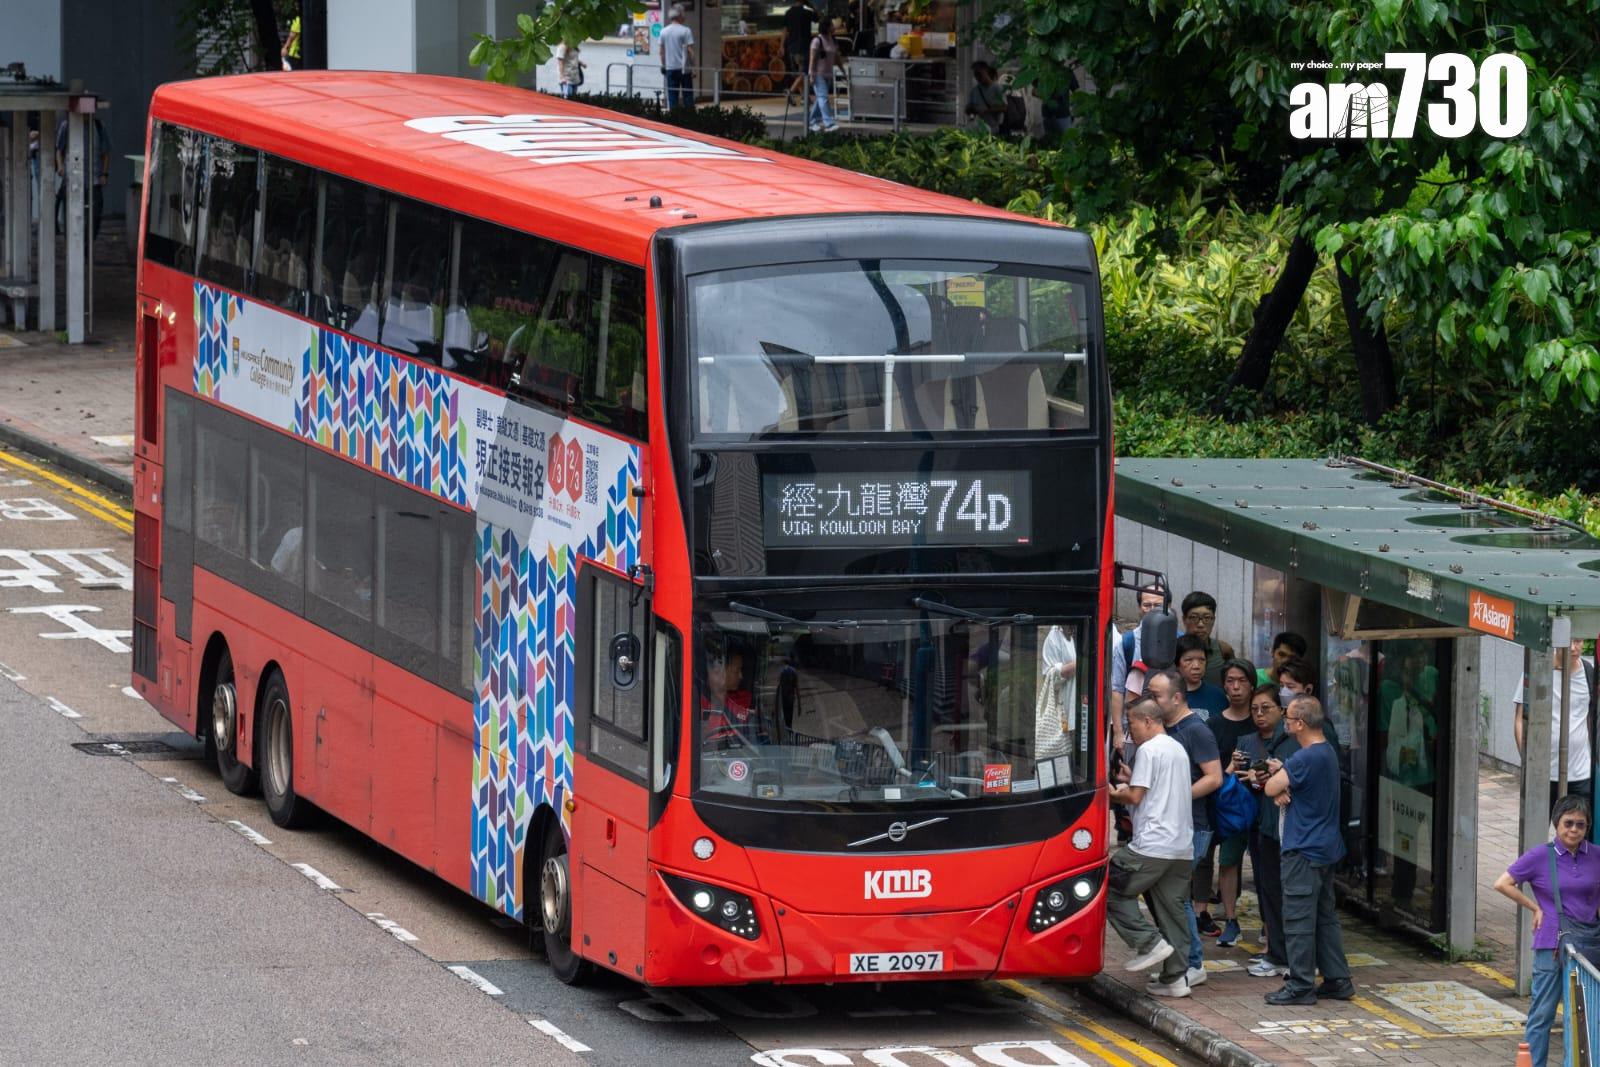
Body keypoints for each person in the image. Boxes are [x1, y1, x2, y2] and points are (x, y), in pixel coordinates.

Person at [1494, 795, 1600, 1067]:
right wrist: (1535, 907)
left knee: (1585, 1015)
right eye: (1568, 823)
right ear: (1556, 823)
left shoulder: (1596, 855)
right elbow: (1503, 883)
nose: (1574, 830)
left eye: (1581, 824)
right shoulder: (1541, 855)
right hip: (1550, 945)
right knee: (1542, 1013)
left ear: (1587, 827)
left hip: (1586, 945)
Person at [1262, 695, 1354, 1005]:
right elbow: (1290, 784)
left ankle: (1300, 985)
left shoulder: (1304, 758)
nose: (1285, 721)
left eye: (1288, 717)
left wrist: (1280, 783)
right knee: (1325, 917)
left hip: (1303, 849)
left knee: (1298, 919)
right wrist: (1285, 782)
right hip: (1325, 848)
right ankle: (1337, 979)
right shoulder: (1326, 751)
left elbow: (1270, 787)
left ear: (1300, 724)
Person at [1105, 696, 1196, 998]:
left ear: (1147, 720)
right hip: (1181, 847)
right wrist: (1132, 781)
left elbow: (1134, 797)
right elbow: (1156, 788)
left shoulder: (1148, 750)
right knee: (1172, 912)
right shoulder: (1177, 749)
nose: (1130, 732)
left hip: (1152, 844)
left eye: (1131, 724)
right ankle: (1176, 979)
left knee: (1108, 887)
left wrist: (1110, 792)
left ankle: (1148, 943)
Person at [1146, 668, 1223, 987]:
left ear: (1177, 697)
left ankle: (1192, 963)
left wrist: (1175, 795)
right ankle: (1179, 961)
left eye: (1156, 696)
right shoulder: (1165, 729)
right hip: (1170, 827)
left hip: (1193, 827)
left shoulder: (1196, 730)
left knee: (1175, 897)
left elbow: (1214, 778)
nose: (1150, 701)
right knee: (1167, 895)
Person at [1235, 685, 1296, 978]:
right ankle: (1276, 952)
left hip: (1288, 830)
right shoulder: (1249, 742)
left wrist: (1273, 780)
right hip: (1264, 825)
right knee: (1267, 889)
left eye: (1266, 708)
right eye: (1254, 709)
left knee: (1286, 893)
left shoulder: (1294, 743)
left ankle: (1286, 956)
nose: (1259, 714)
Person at [1205, 658, 1259, 946]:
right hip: (1229, 805)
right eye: (1230, 681)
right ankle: (1230, 919)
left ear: (1252, 685)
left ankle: (1269, 923)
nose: (1236, 687)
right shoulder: (1215, 724)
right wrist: (1229, 769)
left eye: (1242, 681)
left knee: (1264, 864)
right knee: (1228, 861)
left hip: (1262, 801)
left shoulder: (1261, 720)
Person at [1513, 636, 1596, 816]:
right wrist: (1527, 761)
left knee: (1578, 827)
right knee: (1538, 826)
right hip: (1543, 773)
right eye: (1568, 641)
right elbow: (1520, 719)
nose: (1573, 648)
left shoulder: (1589, 673)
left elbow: (1591, 720)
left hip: (1581, 774)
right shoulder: (1538, 670)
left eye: (1578, 641)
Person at [54, 114, 110, 241]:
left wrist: (104, 173)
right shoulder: (66, 125)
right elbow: (59, 150)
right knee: (72, 215)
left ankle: (88, 241)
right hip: (72, 179)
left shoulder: (99, 126)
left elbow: (106, 152)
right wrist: (60, 166)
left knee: (95, 214)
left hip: (94, 179)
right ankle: (73, 242)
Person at [1180, 591, 1234, 687]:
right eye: (1194, 617)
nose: (1200, 624)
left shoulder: (1224, 650)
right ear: (1184, 620)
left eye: (1207, 618)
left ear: (1213, 620)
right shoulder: (1173, 651)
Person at [1175, 634, 1228, 718]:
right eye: (1189, 660)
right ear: (1177, 664)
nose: (1196, 666)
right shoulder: (1168, 696)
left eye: (1202, 660)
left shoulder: (1218, 696)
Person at [807, 17, 841, 133]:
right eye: (831, 24)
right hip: (818, 74)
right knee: (823, 98)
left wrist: (842, 70)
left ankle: (812, 122)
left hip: (828, 74)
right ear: (826, 27)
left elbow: (836, 57)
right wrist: (811, 74)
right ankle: (828, 123)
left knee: (820, 98)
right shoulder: (817, 41)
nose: (834, 27)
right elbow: (812, 59)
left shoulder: (832, 40)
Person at [660, 6, 696, 110]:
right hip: (685, 69)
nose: (684, 16)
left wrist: (663, 65)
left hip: (670, 69)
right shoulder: (686, 31)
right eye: (683, 14)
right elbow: (690, 51)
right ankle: (689, 115)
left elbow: (661, 52)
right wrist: (693, 68)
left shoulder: (663, 31)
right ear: (679, 15)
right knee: (688, 95)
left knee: (672, 96)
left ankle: (673, 115)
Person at [781, 0, 816, 105]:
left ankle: (804, 98)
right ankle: (790, 91)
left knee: (798, 75)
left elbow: (784, 30)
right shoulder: (807, 12)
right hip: (803, 47)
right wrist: (812, 6)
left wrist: (781, 46)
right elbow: (820, 19)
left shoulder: (788, 12)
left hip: (791, 48)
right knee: (804, 73)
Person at [965, 62, 1007, 134]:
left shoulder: (997, 88)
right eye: (976, 75)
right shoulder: (974, 91)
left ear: (986, 71)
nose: (978, 77)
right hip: (978, 128)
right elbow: (968, 110)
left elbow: (1004, 108)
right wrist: (970, 109)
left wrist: (987, 110)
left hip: (994, 128)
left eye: (979, 74)